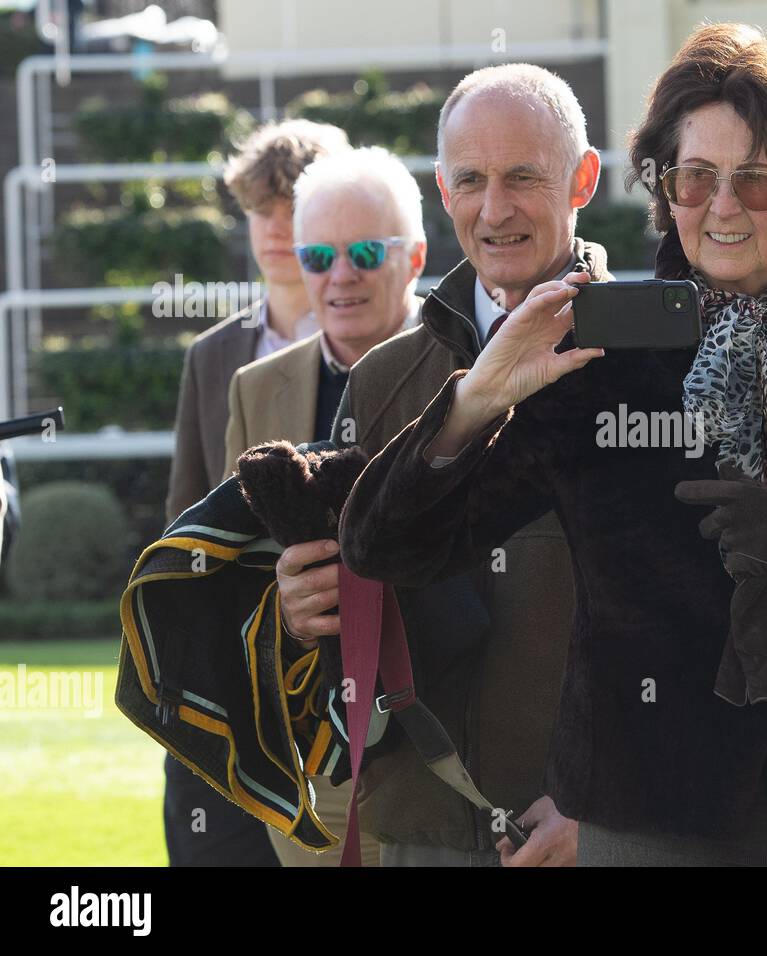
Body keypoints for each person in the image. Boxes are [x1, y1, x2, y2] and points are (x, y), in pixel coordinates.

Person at [339, 23, 767, 866]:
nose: (723, 205)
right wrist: (476, 398)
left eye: (759, 182)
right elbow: (384, 544)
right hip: (652, 830)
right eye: (695, 178)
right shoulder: (605, 356)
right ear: (665, 193)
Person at [280, 63, 604, 866]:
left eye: (525, 177)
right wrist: (298, 602)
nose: (496, 209)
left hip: (591, 830)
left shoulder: (651, 366)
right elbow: (345, 619)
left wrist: (605, 805)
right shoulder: (382, 381)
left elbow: (697, 618)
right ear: (442, 189)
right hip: (423, 832)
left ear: (584, 179)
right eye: (472, 180)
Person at [223, 144, 433, 867]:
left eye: (366, 252)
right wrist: (281, 604)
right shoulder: (258, 387)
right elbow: (231, 571)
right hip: (315, 773)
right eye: (318, 257)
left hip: (448, 763)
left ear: (414, 258)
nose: (340, 276)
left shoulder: (469, 374)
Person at [161, 118, 348, 868]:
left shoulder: (387, 342)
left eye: (291, 207)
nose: (274, 228)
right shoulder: (214, 356)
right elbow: (187, 507)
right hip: (241, 665)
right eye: (259, 210)